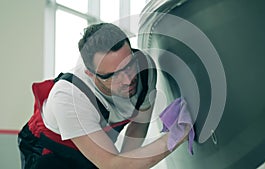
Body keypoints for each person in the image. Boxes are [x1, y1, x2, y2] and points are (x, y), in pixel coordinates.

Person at [18, 23, 190, 169]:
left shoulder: (145, 69)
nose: (128, 80)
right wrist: (175, 136)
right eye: (113, 75)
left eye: (129, 65)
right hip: (52, 151)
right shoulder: (69, 98)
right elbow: (111, 165)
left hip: (98, 145)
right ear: (91, 74)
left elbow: (138, 124)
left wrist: (125, 161)